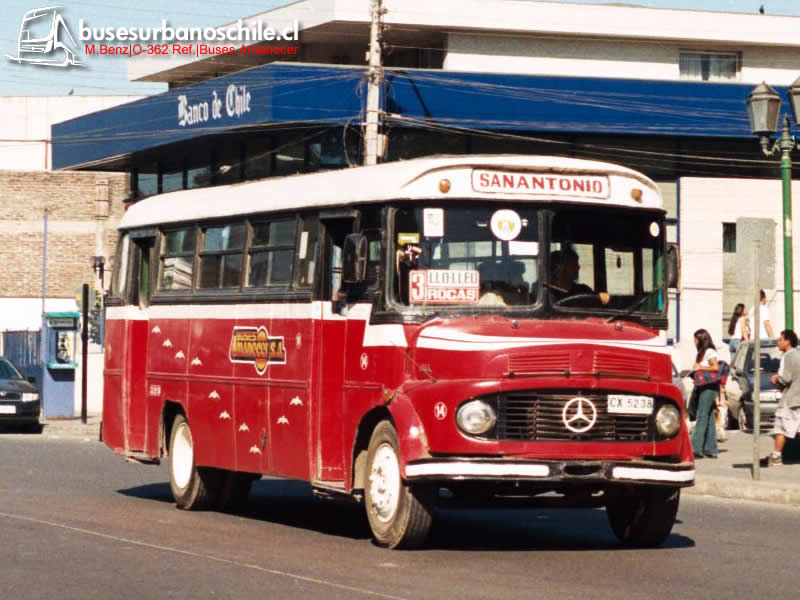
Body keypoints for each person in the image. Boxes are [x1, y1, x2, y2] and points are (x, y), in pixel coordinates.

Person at [765, 329, 800, 467]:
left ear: (787, 342)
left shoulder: (788, 356)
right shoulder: (798, 354)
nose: (778, 343)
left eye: (780, 340)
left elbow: (785, 378)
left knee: (780, 428)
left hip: (791, 398)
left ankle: (776, 456)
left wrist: (775, 378)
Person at [691, 328, 720, 459]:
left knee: (702, 415)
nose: (694, 342)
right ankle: (710, 448)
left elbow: (715, 367)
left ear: (702, 339)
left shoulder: (709, 351)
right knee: (708, 417)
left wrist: (700, 367)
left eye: (696, 339)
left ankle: (696, 448)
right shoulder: (702, 353)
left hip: (709, 388)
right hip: (704, 386)